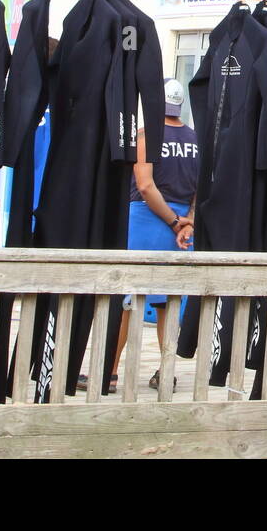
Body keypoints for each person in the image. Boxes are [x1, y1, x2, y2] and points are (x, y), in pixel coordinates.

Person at [89, 79, 200, 393]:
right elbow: (198, 188)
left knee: (126, 298)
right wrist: (187, 221)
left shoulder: (146, 135)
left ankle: (108, 373)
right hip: (181, 225)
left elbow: (146, 185)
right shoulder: (195, 139)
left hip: (148, 219)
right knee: (168, 302)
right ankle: (166, 373)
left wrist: (172, 221)